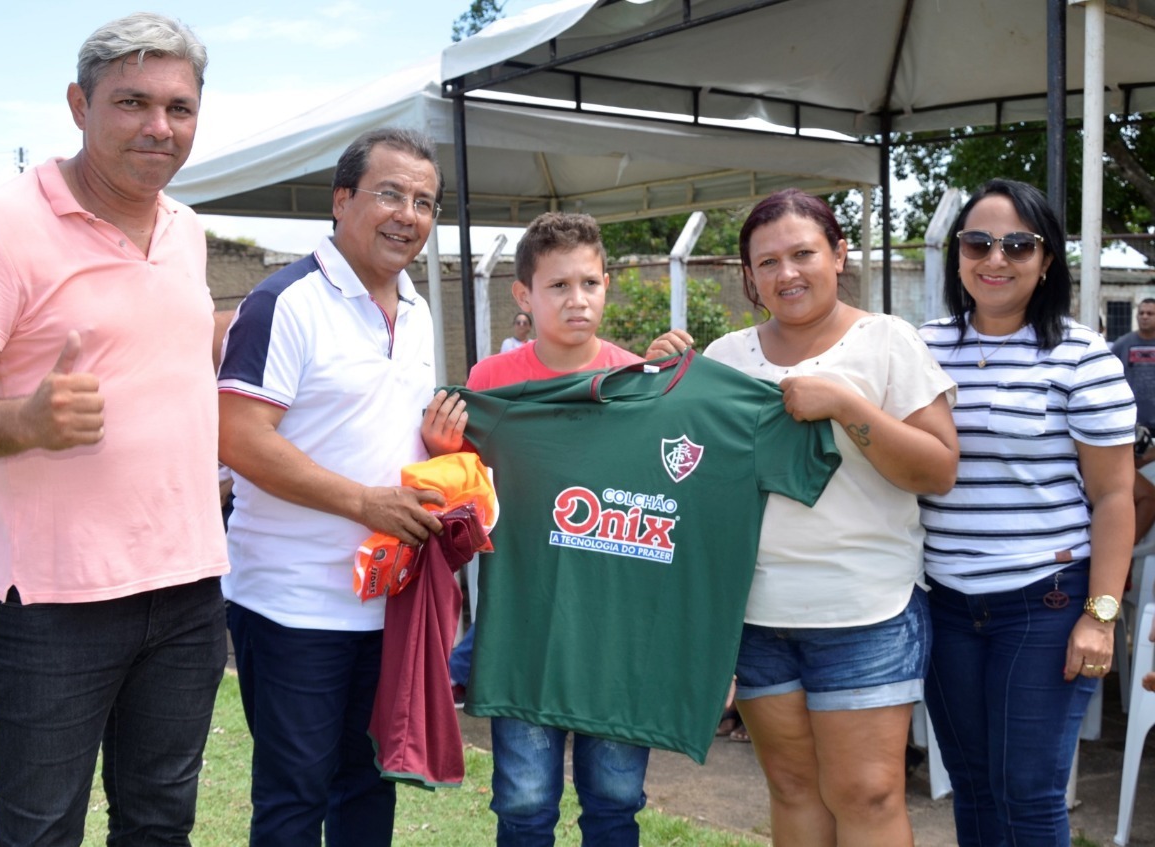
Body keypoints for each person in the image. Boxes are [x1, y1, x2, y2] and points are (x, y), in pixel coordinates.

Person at [0, 13, 230, 845]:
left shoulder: (186, 230)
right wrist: (27, 418)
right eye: (131, 101)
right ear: (78, 104)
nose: (159, 126)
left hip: (189, 587)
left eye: (179, 108)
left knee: (160, 822)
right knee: (40, 829)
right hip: (57, 603)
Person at [649, 188, 958, 846]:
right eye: (767, 263)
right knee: (791, 787)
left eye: (802, 254)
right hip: (757, 612)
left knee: (867, 792)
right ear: (749, 277)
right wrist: (660, 384)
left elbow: (937, 468)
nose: (786, 274)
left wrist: (849, 406)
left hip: (865, 609)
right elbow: (681, 472)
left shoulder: (887, 342)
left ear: (839, 254)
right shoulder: (726, 358)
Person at [217, 128, 463, 846]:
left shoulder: (416, 309)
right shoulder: (284, 302)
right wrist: (363, 503)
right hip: (292, 606)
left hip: (387, 604)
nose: (408, 215)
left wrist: (437, 449)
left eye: (424, 201)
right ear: (342, 199)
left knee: (367, 790)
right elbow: (240, 439)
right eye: (390, 193)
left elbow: (373, 430)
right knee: (295, 798)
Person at [917, 178, 1135, 846]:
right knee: (972, 781)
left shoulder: (1082, 355)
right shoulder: (920, 347)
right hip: (944, 601)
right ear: (958, 255)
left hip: (1045, 601)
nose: (996, 258)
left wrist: (1100, 615)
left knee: (1030, 790)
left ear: (1046, 262)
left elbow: (1115, 496)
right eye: (979, 241)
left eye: (1018, 244)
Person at [424, 212, 653, 845]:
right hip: (523, 630)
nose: (577, 299)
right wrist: (447, 453)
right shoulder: (488, 385)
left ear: (607, 284)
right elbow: (461, 517)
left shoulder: (641, 381)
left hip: (617, 634)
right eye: (558, 286)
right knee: (523, 804)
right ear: (524, 295)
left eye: (590, 283)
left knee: (614, 799)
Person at [1111, 297, 1155, 428]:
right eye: (1141, 313)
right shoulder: (1122, 344)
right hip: (1130, 420)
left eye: (1150, 313)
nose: (1144, 317)